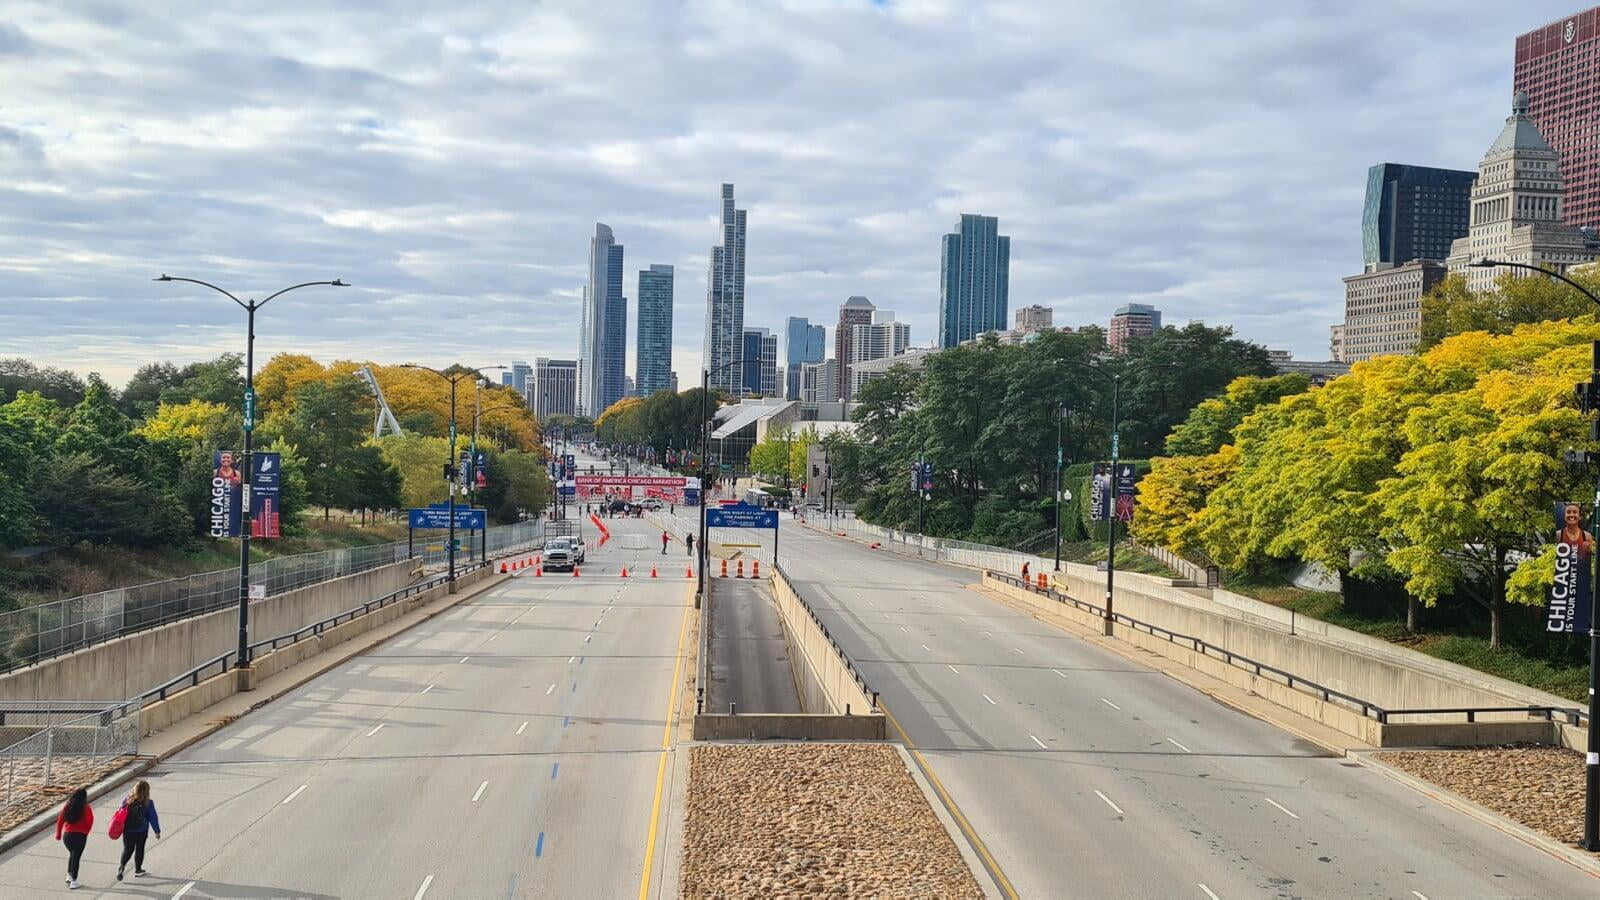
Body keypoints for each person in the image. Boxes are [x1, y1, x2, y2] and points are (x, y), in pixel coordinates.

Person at [116, 780, 160, 881]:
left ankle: (122, 866)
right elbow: (153, 817)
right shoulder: (148, 803)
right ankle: (138, 870)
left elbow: (120, 812)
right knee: (140, 849)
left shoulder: (127, 800)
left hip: (128, 830)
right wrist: (157, 831)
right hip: (141, 830)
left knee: (128, 849)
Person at [56, 787, 92, 889]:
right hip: (80, 835)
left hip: (67, 835)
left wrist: (58, 834)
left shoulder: (68, 806)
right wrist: (86, 832)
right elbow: (89, 821)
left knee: (72, 854)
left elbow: (60, 820)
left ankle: (69, 874)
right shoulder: (85, 807)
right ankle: (74, 880)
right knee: (76, 857)